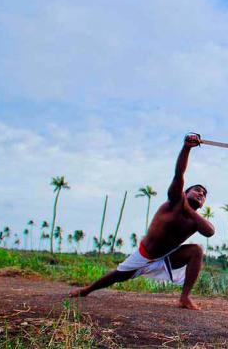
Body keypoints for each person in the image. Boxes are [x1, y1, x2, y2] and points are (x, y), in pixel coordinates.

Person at [69, 133, 214, 310]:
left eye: (204, 195)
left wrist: (189, 211)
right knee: (118, 275)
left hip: (167, 257)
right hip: (145, 254)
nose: (201, 194)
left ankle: (185, 298)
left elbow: (210, 231)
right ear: (185, 192)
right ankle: (86, 290)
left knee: (196, 250)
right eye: (197, 190)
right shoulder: (175, 200)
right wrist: (186, 148)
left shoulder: (195, 219)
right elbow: (179, 173)